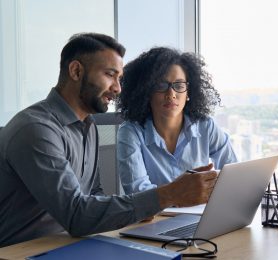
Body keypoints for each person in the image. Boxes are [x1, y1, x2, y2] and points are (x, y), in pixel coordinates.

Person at [0, 33, 218, 247]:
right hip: (19, 252)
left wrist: (136, 210)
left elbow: (92, 195)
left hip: (68, 245)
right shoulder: (36, 130)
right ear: (76, 71)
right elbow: (76, 215)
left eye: (119, 78)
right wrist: (170, 194)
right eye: (109, 74)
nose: (118, 88)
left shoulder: (88, 126)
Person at [117, 47, 237, 194]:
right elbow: (137, 193)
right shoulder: (131, 132)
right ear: (146, 91)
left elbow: (233, 173)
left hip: (202, 214)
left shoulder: (205, 126)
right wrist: (182, 192)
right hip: (155, 217)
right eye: (161, 85)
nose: (171, 94)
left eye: (179, 86)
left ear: (188, 93)